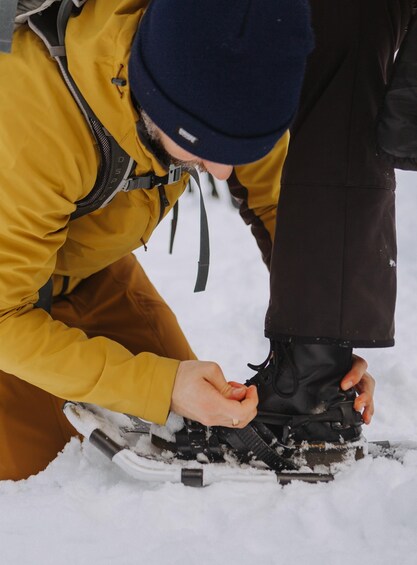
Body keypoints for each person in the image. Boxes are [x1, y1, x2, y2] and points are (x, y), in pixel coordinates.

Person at [0, 0, 372, 481]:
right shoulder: (34, 126)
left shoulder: (224, 69)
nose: (223, 171)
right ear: (154, 98)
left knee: (182, 432)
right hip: (9, 300)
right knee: (44, 474)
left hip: (84, 265)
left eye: (244, 148)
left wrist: (320, 346)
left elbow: (282, 205)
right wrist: (162, 384)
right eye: (207, 150)